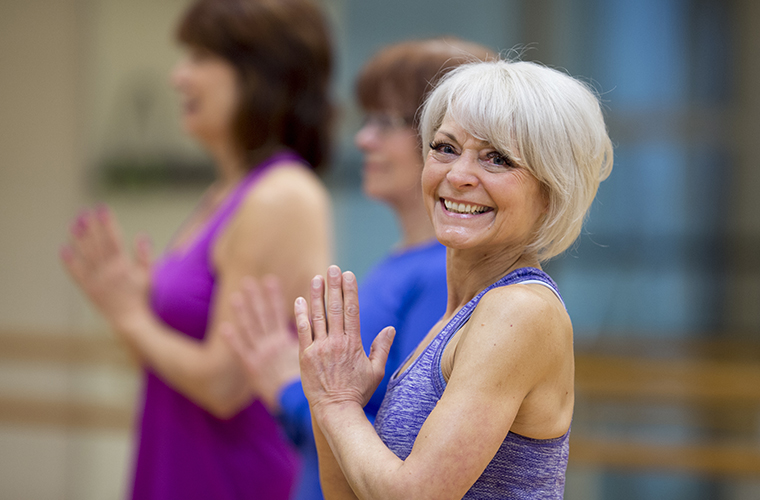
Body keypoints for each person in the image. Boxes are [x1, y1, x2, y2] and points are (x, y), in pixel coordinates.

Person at [293, 60, 614, 499]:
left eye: (496, 159)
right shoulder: (458, 315)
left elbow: (416, 496)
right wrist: (326, 397)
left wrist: (337, 404)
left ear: (550, 194)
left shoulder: (519, 310)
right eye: (445, 148)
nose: (458, 175)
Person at [59, 0, 333, 498]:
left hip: (229, 479)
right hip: (174, 463)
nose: (179, 77)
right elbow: (168, 359)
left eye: (201, 57)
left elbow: (224, 386)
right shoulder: (225, 193)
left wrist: (129, 317)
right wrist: (137, 308)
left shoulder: (281, 195)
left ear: (260, 73)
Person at [224, 37, 495, 500]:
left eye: (385, 122)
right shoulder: (408, 262)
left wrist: (289, 388)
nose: (363, 139)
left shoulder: (441, 274)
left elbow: (402, 449)